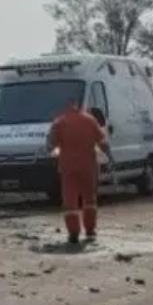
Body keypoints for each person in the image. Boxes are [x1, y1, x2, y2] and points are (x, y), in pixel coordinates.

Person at [47, 99, 114, 245]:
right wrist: (110, 159)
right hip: (88, 167)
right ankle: (90, 230)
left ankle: (74, 233)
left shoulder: (59, 122)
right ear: (79, 107)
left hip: (68, 168)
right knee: (89, 199)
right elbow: (103, 142)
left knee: (70, 200)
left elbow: (51, 144)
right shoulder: (90, 120)